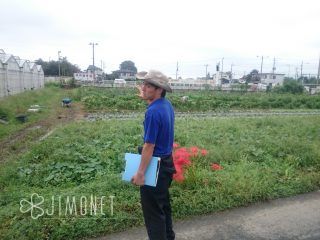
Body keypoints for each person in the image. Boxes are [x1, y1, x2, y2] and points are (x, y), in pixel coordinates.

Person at [131, 70, 176, 240]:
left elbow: (149, 145)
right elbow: (156, 107)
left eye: (148, 85)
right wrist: (147, 98)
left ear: (159, 89)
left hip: (155, 166)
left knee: (153, 214)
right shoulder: (166, 104)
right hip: (166, 164)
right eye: (144, 84)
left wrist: (140, 173)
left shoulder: (152, 112)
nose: (143, 88)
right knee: (163, 206)